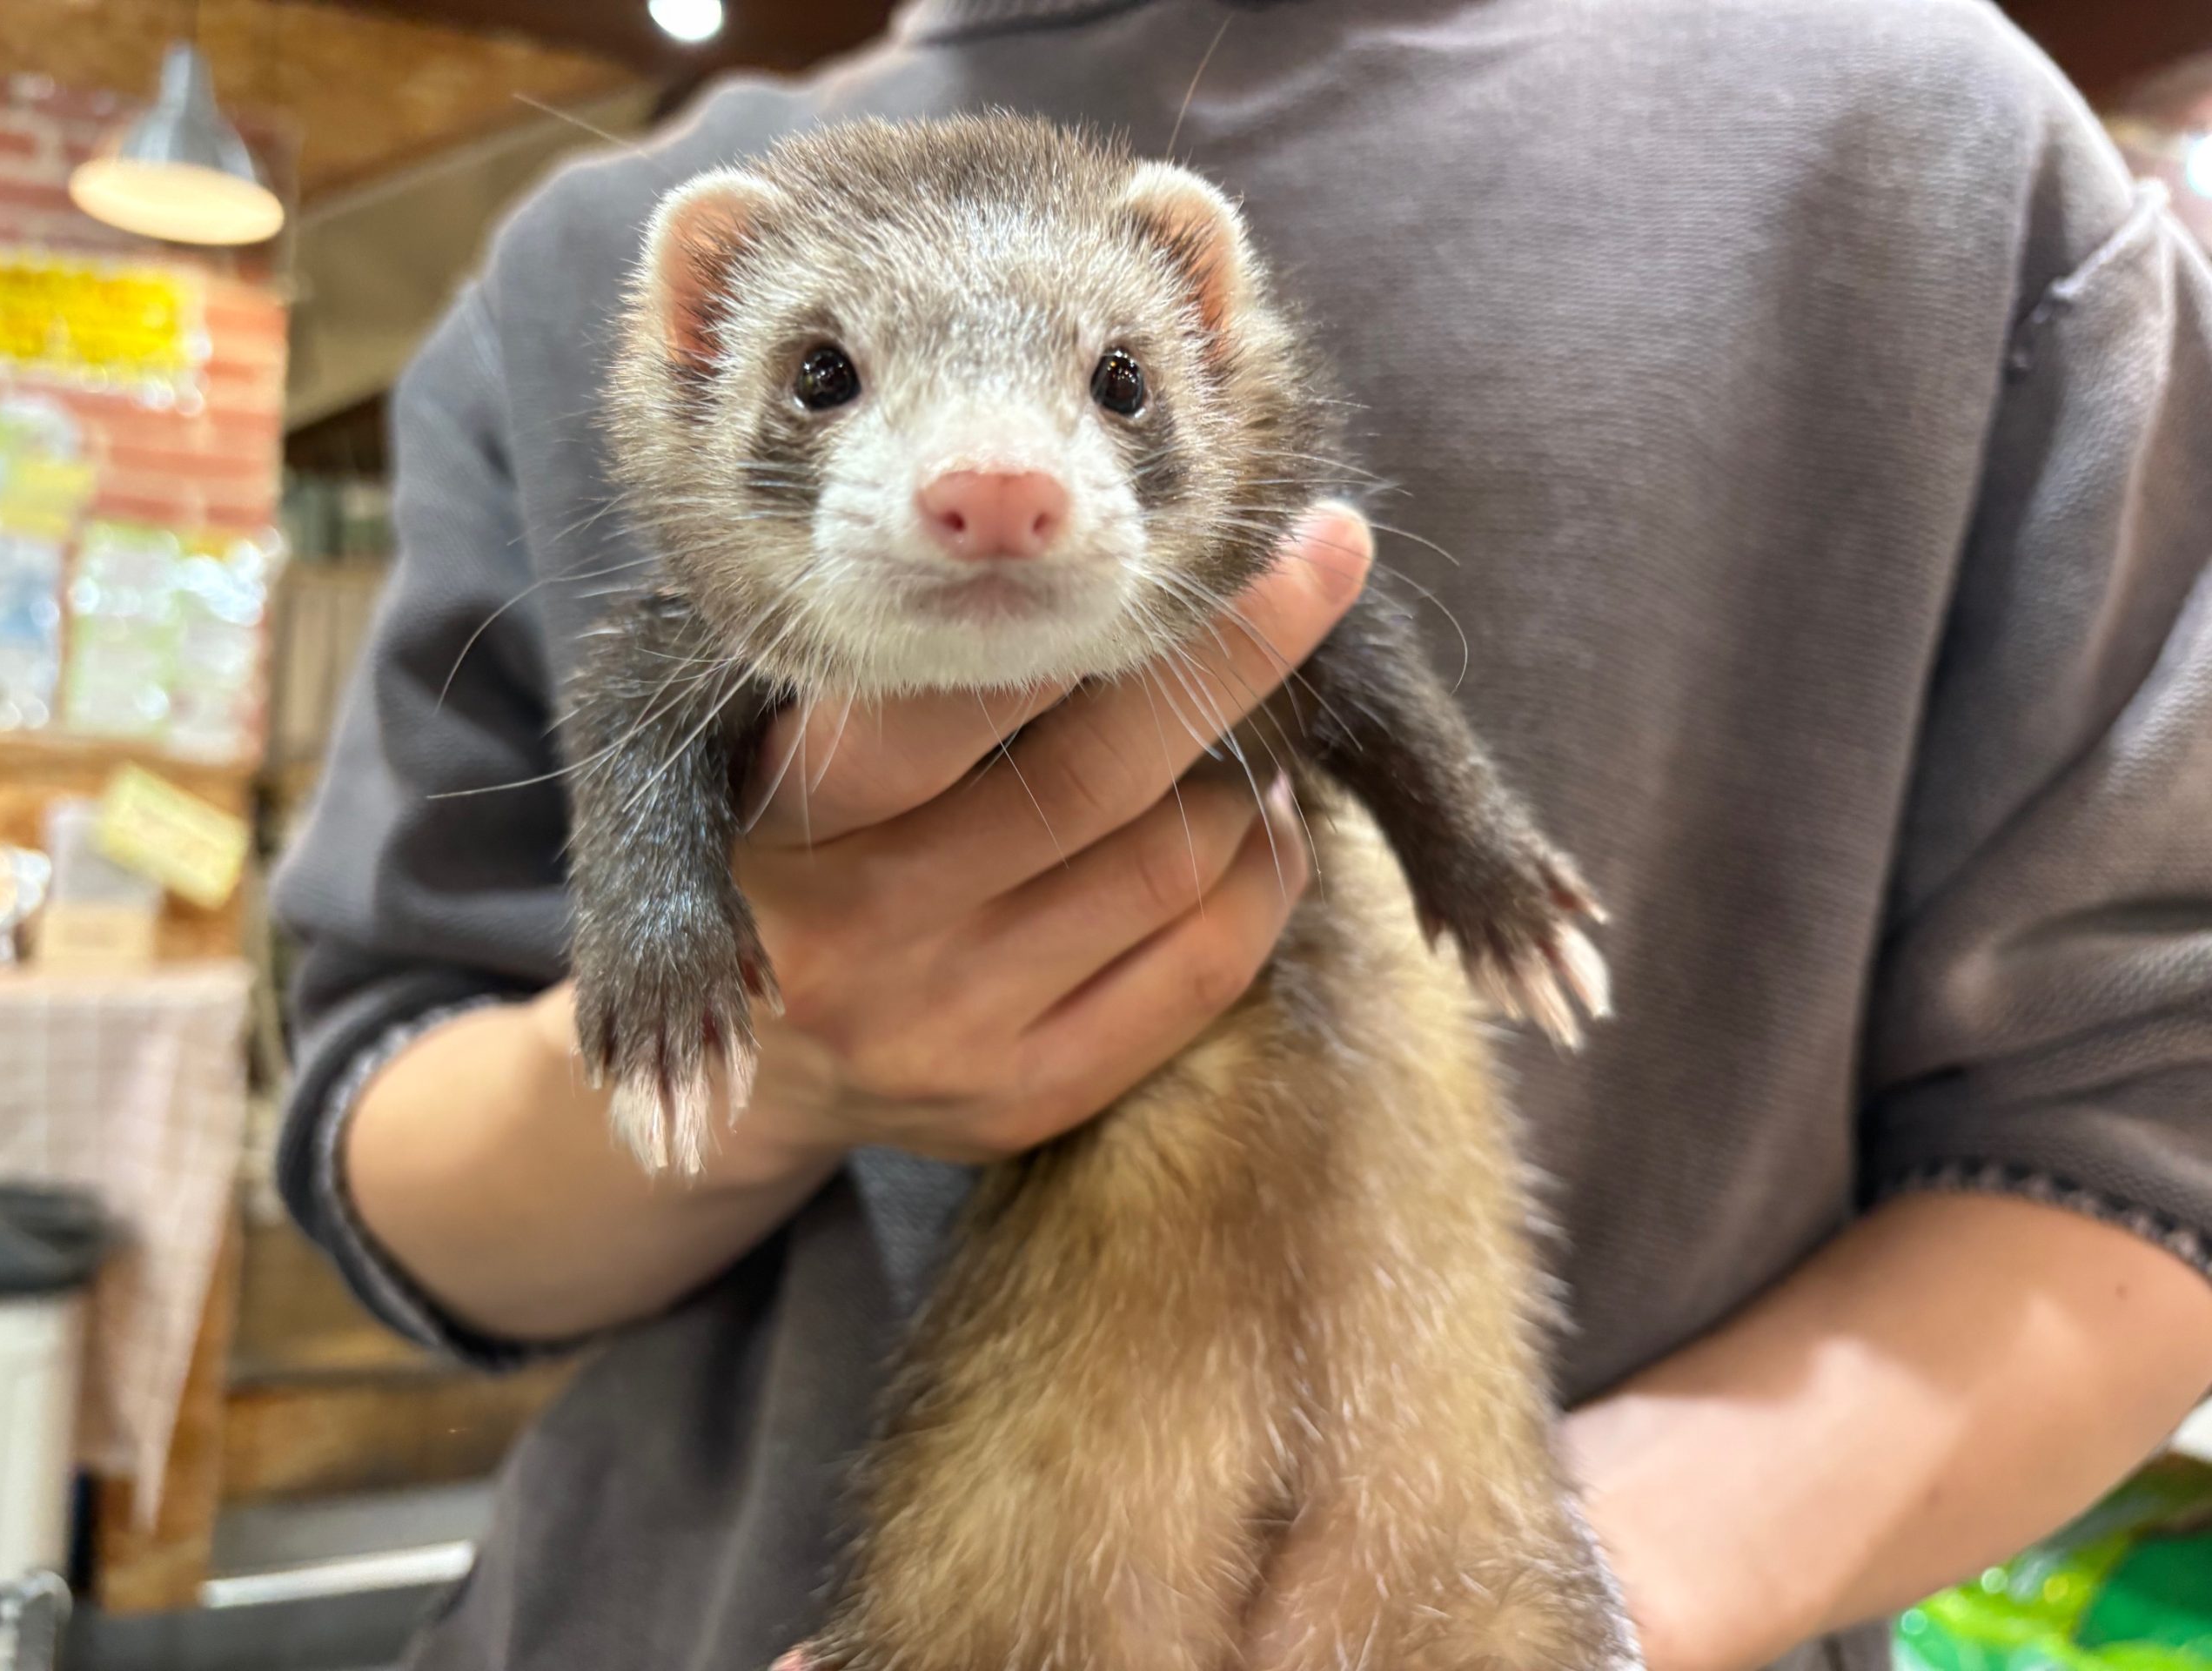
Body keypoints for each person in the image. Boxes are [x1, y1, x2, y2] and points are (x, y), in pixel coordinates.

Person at [271, 1, 2212, 1668]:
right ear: (698, 338)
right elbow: (376, 1105)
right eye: (831, 380)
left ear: (1208, 337)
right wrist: (774, 1059)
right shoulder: (570, 259)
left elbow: (2149, 1116)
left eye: (1112, 388)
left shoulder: (1930, 136)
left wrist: (1506, 1611)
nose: (996, 485)